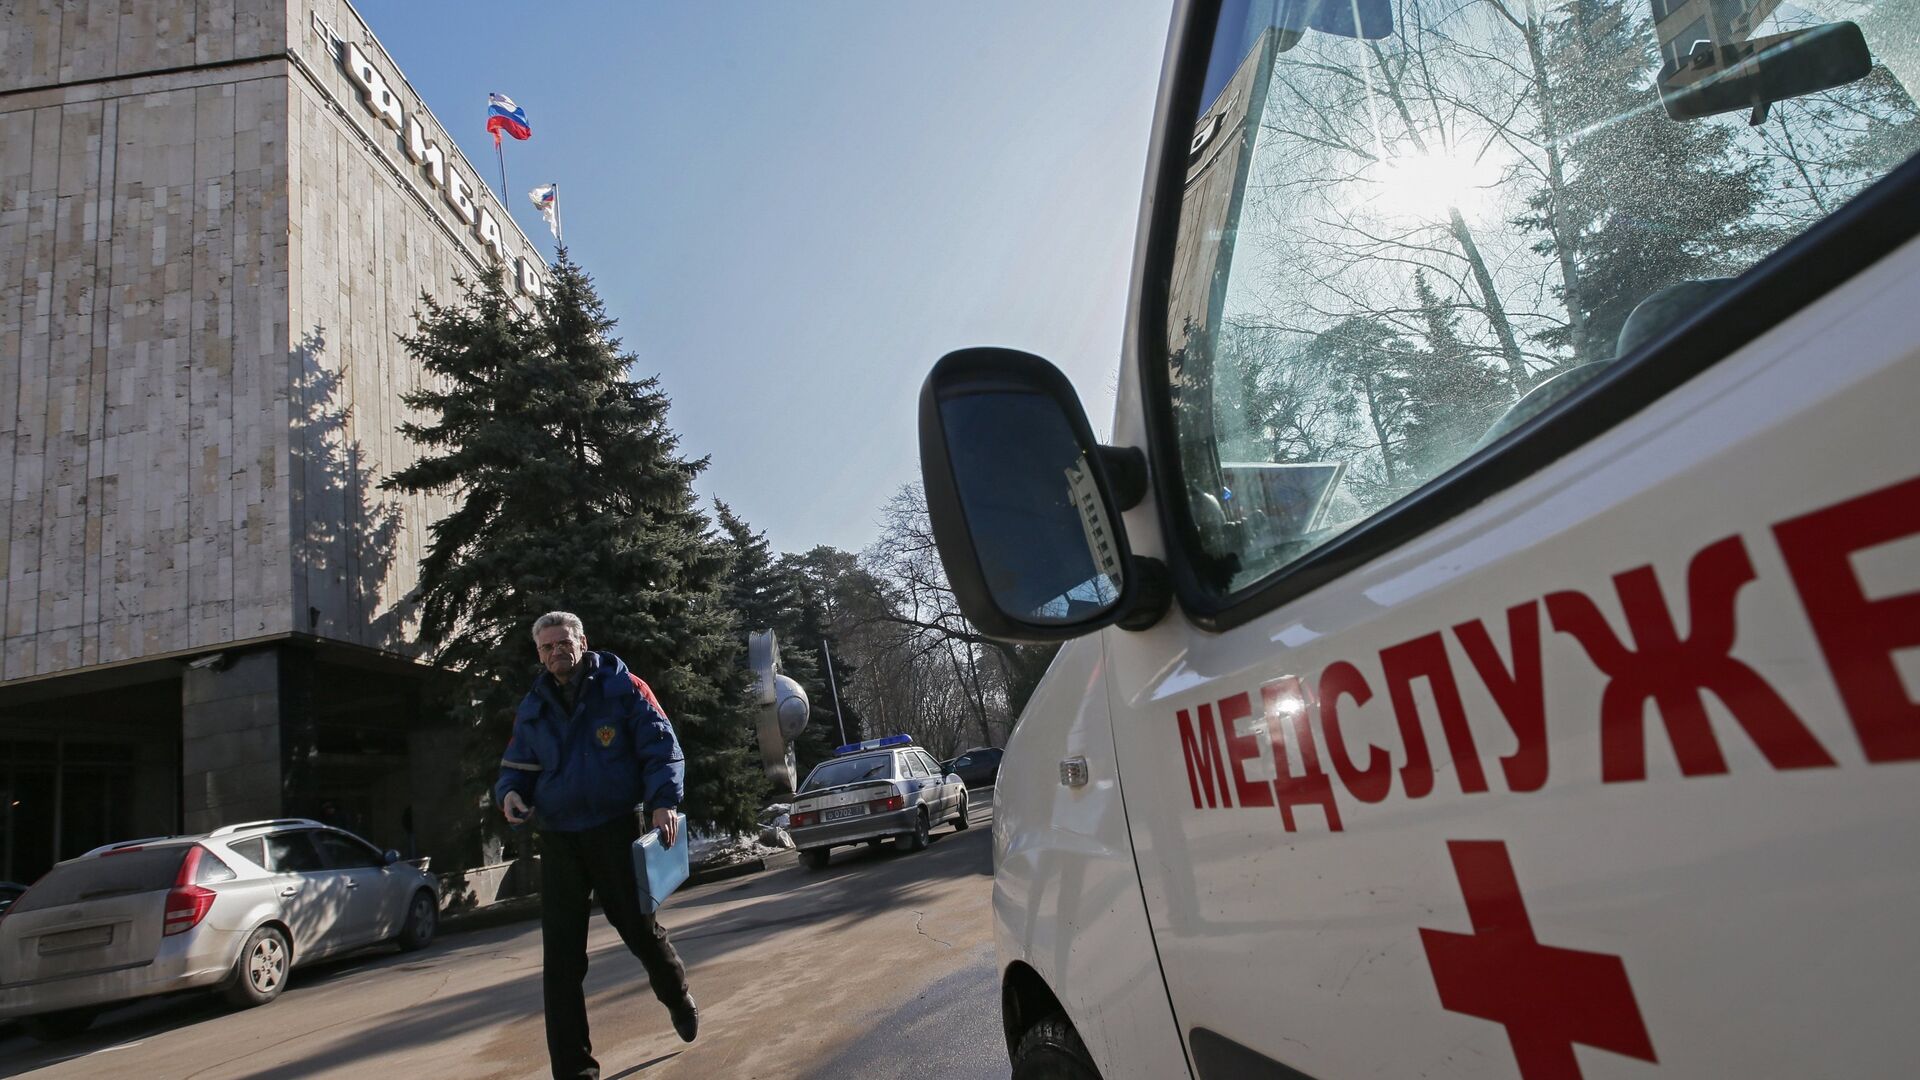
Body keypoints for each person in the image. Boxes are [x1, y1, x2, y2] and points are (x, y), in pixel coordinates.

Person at [495, 611, 699, 1079]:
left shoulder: (623, 687)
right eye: (546, 647)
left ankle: (676, 993)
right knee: (561, 963)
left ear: (582, 641)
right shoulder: (534, 706)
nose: (555, 652)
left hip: (614, 830)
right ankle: (575, 1072)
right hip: (561, 838)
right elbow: (516, 768)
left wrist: (663, 801)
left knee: (639, 931)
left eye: (563, 642)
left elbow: (662, 747)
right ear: (539, 654)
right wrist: (509, 795)